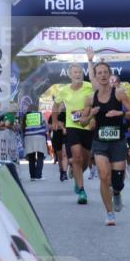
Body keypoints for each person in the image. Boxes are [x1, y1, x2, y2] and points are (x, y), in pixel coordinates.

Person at [78, 62, 130, 226]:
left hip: (117, 142)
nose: (103, 75)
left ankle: (116, 192)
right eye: (99, 73)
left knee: (117, 182)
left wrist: (121, 113)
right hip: (100, 142)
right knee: (104, 177)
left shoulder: (119, 94)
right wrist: (91, 116)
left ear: (109, 75)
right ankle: (110, 213)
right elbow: (82, 122)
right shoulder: (90, 98)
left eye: (105, 72)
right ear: (95, 77)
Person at [51, 55, 95, 204]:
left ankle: (77, 176)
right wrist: (55, 120)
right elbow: (56, 105)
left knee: (85, 159)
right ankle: (81, 190)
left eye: (80, 73)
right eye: (75, 72)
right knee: (77, 158)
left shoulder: (89, 86)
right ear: (70, 75)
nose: (78, 75)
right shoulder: (64, 90)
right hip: (72, 127)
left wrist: (90, 61)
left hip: (87, 127)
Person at [22, 103, 49, 181]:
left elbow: (23, 128)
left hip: (29, 138)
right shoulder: (40, 114)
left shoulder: (26, 116)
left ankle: (32, 176)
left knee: (31, 157)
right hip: (39, 137)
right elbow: (46, 125)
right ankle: (38, 175)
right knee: (40, 156)